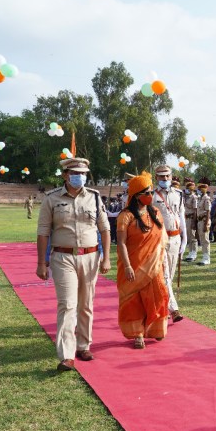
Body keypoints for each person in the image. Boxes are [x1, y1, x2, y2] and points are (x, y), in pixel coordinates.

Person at [36, 157, 111, 372]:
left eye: (83, 173)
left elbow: (104, 229)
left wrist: (106, 257)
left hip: (90, 256)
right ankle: (66, 355)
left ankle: (83, 345)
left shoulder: (95, 198)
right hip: (63, 257)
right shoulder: (51, 199)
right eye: (75, 173)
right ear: (65, 175)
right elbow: (43, 232)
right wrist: (42, 262)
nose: (80, 177)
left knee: (86, 304)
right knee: (67, 304)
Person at [116, 172, 170, 349]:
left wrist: (160, 258)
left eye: (151, 192)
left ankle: (156, 329)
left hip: (154, 265)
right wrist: (128, 266)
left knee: (158, 295)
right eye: (146, 192)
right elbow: (121, 243)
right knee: (134, 301)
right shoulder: (125, 216)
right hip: (133, 265)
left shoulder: (155, 212)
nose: (150, 196)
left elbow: (162, 238)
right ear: (136, 195)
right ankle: (138, 334)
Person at [152, 165, 187, 323]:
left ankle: (163, 307)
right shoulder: (152, 196)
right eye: (161, 176)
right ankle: (174, 309)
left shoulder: (178, 194)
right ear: (156, 178)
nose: (165, 179)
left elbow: (181, 216)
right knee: (164, 275)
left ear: (171, 176)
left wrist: (184, 238)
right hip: (160, 238)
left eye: (167, 176)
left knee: (169, 276)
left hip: (175, 238)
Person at [195, 177, 212, 266]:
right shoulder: (200, 198)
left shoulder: (206, 199)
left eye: (199, 189)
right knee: (202, 239)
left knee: (205, 240)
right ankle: (204, 256)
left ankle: (207, 258)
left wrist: (206, 224)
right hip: (200, 221)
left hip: (204, 221)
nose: (197, 190)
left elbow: (208, 212)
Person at [183, 177, 199, 262]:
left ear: (191, 189)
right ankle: (190, 252)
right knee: (188, 236)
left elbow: (195, 210)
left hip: (191, 218)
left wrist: (194, 222)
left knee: (193, 237)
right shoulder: (186, 197)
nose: (186, 190)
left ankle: (194, 253)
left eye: (187, 188)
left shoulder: (194, 197)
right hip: (186, 218)